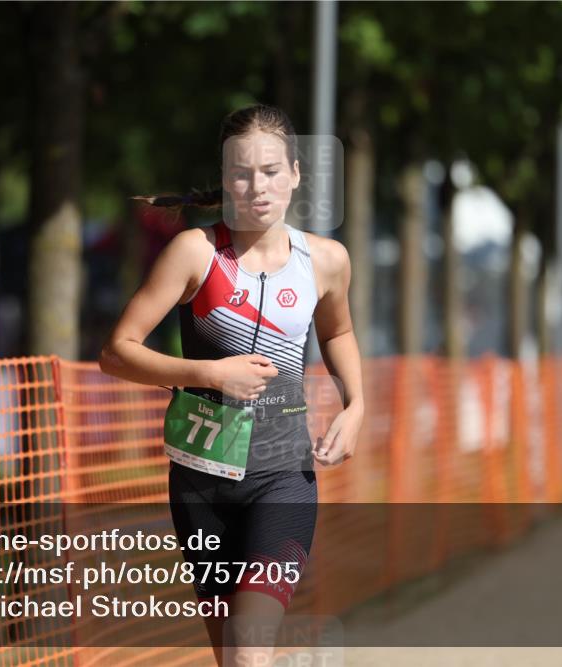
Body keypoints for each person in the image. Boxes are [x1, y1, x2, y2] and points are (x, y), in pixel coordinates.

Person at [99, 104, 364, 665]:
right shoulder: (195, 253)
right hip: (202, 482)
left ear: (295, 173)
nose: (257, 187)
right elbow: (116, 354)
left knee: (249, 650)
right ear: (224, 180)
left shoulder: (327, 261)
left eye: (271, 171)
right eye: (242, 173)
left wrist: (356, 404)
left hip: (284, 477)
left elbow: (337, 330)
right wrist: (208, 373)